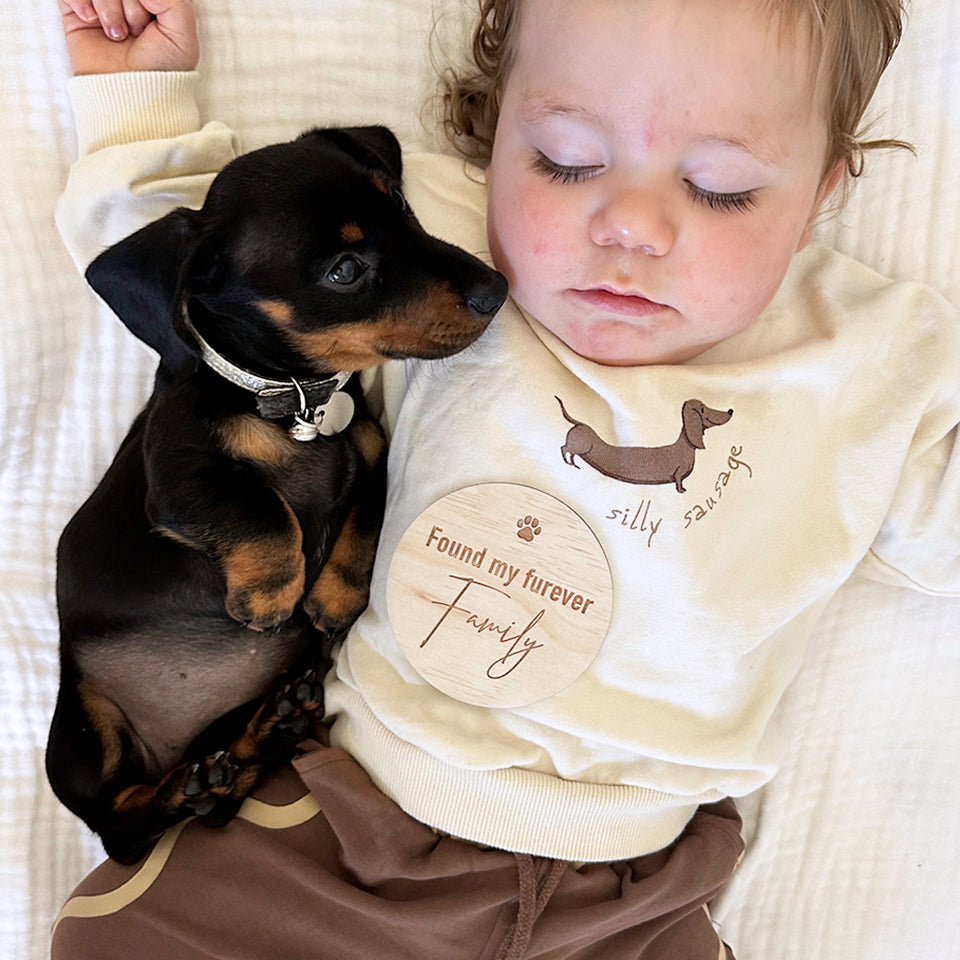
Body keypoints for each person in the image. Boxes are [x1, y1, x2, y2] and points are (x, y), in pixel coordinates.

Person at [50, 0, 960, 957]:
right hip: (349, 828)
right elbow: (203, 262)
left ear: (822, 186)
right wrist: (138, 92)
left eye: (721, 187)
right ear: (498, 122)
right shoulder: (442, 247)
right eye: (564, 159)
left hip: (639, 895)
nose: (632, 226)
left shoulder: (870, 362)